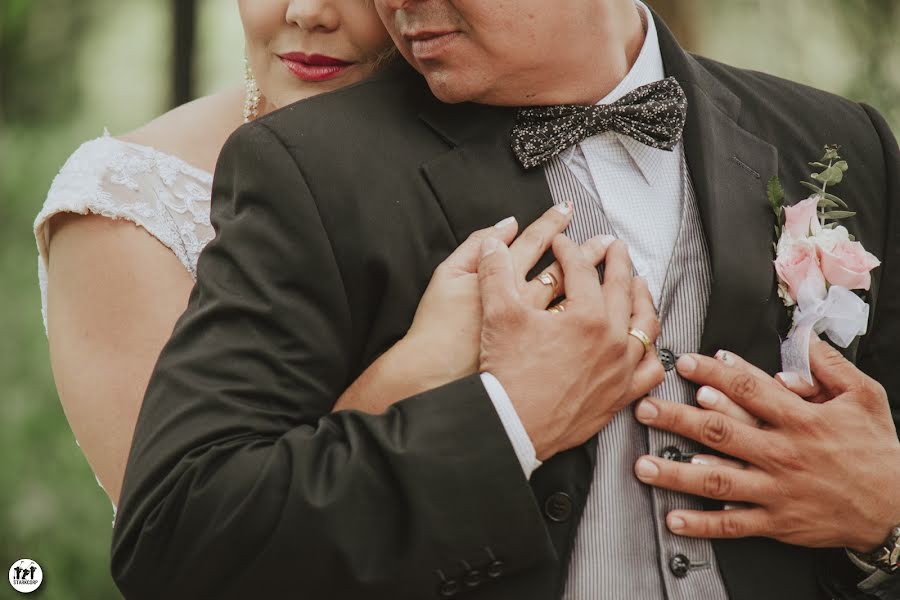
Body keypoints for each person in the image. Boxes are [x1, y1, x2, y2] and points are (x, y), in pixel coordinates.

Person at [110, 1, 900, 599]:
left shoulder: (841, 144)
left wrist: (886, 516)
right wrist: (507, 420)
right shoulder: (312, 169)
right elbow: (176, 537)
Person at [34, 0, 636, 513]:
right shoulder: (129, 203)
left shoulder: (530, 134)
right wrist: (419, 371)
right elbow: (192, 538)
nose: (307, 12)